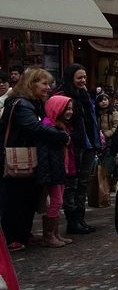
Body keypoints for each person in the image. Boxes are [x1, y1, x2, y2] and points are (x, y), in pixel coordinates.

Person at [0, 68, 69, 251]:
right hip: (17, 157)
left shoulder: (30, 103)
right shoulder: (21, 104)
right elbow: (35, 128)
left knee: (28, 198)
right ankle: (12, 237)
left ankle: (23, 234)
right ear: (32, 84)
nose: (48, 87)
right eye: (44, 83)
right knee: (16, 199)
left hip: (28, 157)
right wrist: (60, 136)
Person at [55, 63, 102, 235]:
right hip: (73, 145)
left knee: (83, 183)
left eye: (84, 77)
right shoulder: (63, 96)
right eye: (79, 78)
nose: (83, 81)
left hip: (89, 143)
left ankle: (80, 218)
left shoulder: (85, 95)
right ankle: (72, 220)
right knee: (72, 184)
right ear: (70, 78)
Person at [37, 95, 76, 247]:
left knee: (57, 202)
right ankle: (49, 236)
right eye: (66, 108)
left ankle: (55, 233)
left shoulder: (59, 126)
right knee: (57, 201)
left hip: (60, 169)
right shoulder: (49, 127)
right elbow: (45, 155)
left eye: (71, 109)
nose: (69, 112)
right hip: (53, 171)